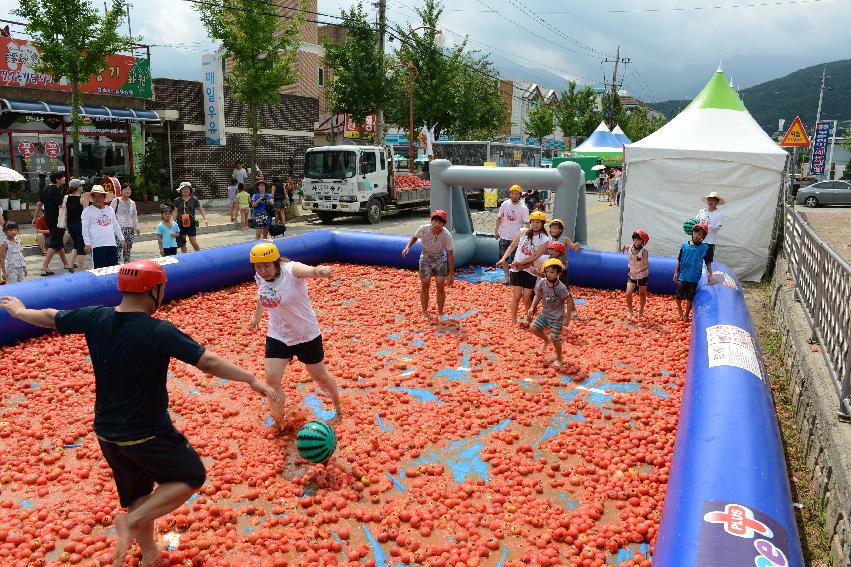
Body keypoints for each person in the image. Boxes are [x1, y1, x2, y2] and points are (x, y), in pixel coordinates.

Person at [0, 260, 278, 566]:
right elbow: (207, 361)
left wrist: (19, 312)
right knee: (191, 475)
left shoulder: (95, 316)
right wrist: (251, 379)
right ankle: (133, 522)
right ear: (153, 290)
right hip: (147, 432)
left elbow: (52, 317)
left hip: (107, 433)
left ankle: (149, 555)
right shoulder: (158, 330)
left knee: (139, 494)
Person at [247, 242, 342, 424]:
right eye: (258, 267)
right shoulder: (260, 277)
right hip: (278, 335)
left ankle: (338, 405)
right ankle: (279, 420)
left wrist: (318, 271)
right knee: (271, 379)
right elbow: (263, 295)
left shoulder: (290, 271)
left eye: (266, 266)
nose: (263, 271)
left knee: (319, 376)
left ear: (276, 263)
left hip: (305, 334)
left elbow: (308, 271)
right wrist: (257, 317)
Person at [497, 211, 551, 325]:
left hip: (529, 270)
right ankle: (513, 320)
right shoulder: (523, 232)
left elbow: (536, 257)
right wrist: (503, 259)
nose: (535, 224)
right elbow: (512, 246)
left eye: (538, 222)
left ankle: (529, 320)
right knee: (516, 296)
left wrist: (520, 264)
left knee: (527, 298)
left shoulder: (545, 239)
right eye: (533, 222)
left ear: (542, 224)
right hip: (516, 269)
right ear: (530, 222)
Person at [402, 210, 455, 320]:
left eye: (440, 223)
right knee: (425, 285)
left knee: (440, 286)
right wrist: (408, 247)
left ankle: (440, 313)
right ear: (431, 221)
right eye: (435, 221)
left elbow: (450, 254)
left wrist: (451, 274)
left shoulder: (446, 235)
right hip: (425, 258)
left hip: (440, 259)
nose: (437, 224)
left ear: (443, 224)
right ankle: (425, 312)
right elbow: (415, 237)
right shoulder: (423, 229)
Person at [528, 258, 571, 367]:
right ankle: (546, 340)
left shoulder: (561, 287)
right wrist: (532, 307)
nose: (549, 274)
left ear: (559, 273)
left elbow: (569, 301)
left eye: (552, 272)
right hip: (545, 314)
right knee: (533, 328)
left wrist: (567, 318)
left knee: (555, 338)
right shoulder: (542, 282)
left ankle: (559, 359)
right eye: (547, 272)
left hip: (557, 317)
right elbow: (538, 295)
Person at [674, 222, 715, 322]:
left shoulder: (705, 248)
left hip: (694, 277)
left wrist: (710, 275)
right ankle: (679, 309)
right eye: (695, 233)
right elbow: (679, 259)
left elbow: (708, 262)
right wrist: (676, 272)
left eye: (700, 234)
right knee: (678, 298)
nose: (697, 236)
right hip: (683, 275)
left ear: (703, 237)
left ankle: (686, 314)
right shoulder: (684, 245)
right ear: (692, 233)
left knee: (689, 298)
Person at [34, 171, 73, 276]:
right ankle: (45, 266)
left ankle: (66, 263)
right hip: (57, 221)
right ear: (57, 180)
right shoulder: (56, 190)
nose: (65, 178)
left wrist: (35, 217)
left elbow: (39, 204)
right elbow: (61, 206)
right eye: (63, 177)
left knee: (58, 242)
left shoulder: (46, 188)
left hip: (49, 219)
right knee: (55, 242)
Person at [82, 185, 126, 269]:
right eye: (95, 196)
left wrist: (122, 239)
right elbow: (84, 228)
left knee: (114, 269)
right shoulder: (87, 211)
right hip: (97, 245)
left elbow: (115, 225)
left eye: (100, 196)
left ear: (104, 197)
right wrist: (87, 243)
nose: (97, 198)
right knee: (99, 271)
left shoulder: (110, 209)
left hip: (111, 244)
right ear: (92, 197)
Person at [494, 185, 530, 285]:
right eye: (512, 193)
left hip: (516, 237)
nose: (514, 196)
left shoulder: (523, 207)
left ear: (520, 195)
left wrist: (527, 235)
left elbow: (527, 222)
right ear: (509, 194)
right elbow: (499, 217)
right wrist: (496, 231)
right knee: (503, 258)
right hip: (504, 235)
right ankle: (506, 277)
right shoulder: (505, 204)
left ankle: (515, 278)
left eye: (516, 194)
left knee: (516, 259)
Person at [622, 229, 650, 321]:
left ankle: (641, 311)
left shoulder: (644, 252)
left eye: (639, 239)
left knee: (642, 294)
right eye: (635, 238)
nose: (636, 241)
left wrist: (638, 270)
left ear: (643, 242)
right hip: (632, 275)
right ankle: (630, 311)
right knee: (628, 292)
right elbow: (625, 246)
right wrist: (623, 248)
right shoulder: (629, 248)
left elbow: (646, 265)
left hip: (642, 275)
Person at [173, 182, 207, 253]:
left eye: (187, 189)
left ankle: (199, 254)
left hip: (191, 224)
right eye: (184, 189)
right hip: (180, 224)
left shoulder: (194, 199)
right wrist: (173, 222)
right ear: (181, 190)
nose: (185, 190)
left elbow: (200, 209)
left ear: (190, 190)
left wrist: (205, 219)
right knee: (182, 244)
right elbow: (175, 211)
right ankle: (185, 258)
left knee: (193, 242)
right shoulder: (177, 200)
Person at [112, 184, 141, 264]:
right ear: (121, 191)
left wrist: (137, 227)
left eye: (129, 189)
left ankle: (127, 266)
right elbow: (111, 213)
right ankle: (116, 267)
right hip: (119, 228)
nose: (128, 191)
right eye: (126, 189)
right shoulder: (116, 200)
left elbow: (134, 216)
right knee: (118, 249)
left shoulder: (132, 203)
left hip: (130, 229)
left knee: (127, 250)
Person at [696, 191, 725, 268]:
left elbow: (718, 227)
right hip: (698, 240)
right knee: (696, 260)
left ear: (717, 202)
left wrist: (706, 226)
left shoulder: (719, 214)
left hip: (709, 242)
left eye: (713, 200)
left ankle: (708, 277)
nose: (710, 202)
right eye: (709, 200)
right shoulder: (702, 211)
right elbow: (695, 222)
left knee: (707, 261)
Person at [65, 179, 88, 271]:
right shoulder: (83, 200)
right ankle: (81, 270)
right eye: (81, 185)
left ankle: (70, 265)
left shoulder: (66, 198)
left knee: (76, 244)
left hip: (70, 225)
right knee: (81, 248)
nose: (82, 187)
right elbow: (86, 215)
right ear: (78, 187)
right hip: (80, 226)